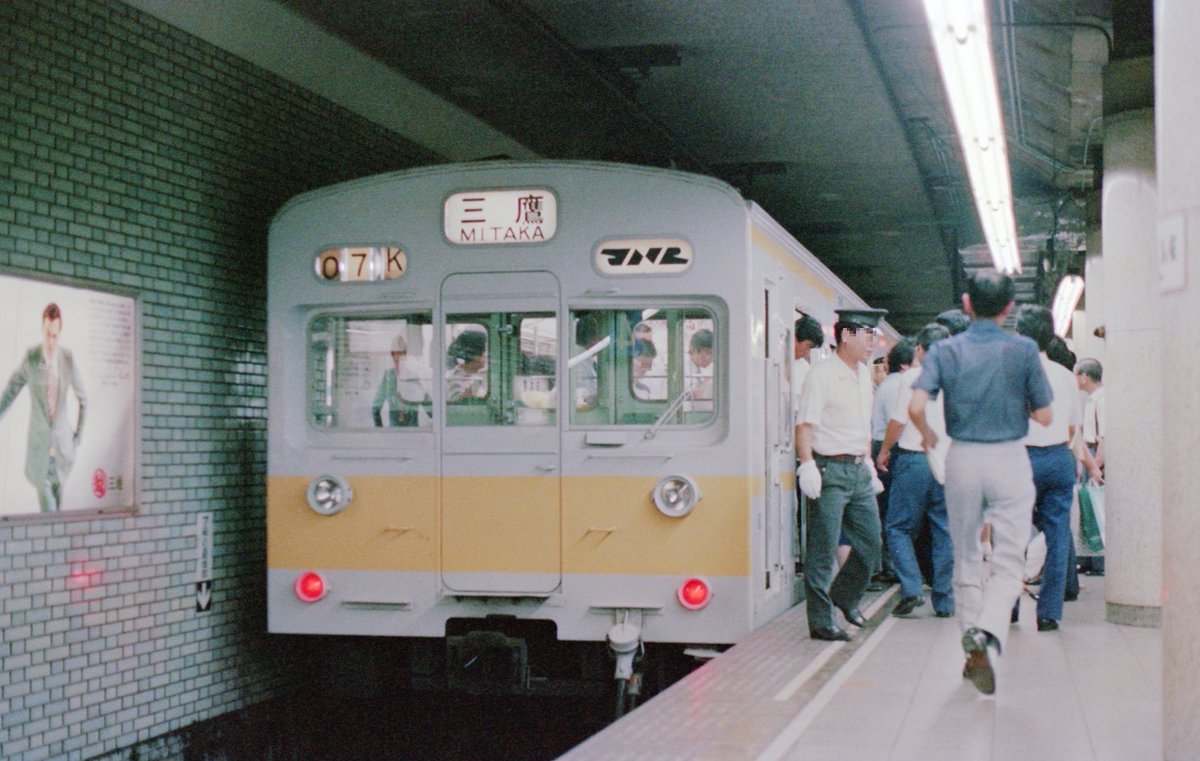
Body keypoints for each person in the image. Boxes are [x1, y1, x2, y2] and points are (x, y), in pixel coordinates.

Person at [908, 270, 1052, 695]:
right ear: (1010, 308)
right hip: (1009, 457)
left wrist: (929, 434)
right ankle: (989, 629)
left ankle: (971, 637)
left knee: (966, 553)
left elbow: (917, 404)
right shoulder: (1024, 349)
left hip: (963, 457)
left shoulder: (946, 350)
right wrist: (1012, 405)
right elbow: (1045, 416)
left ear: (967, 304)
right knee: (1008, 559)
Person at [795, 307, 888, 642]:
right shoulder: (821, 376)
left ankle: (845, 596)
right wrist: (807, 464)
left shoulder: (863, 374)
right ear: (846, 335)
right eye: (867, 334)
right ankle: (821, 622)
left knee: (870, 543)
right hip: (829, 468)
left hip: (857, 469)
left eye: (874, 336)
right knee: (822, 550)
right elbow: (805, 424)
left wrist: (867, 461)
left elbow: (862, 424)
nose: (872, 343)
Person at [877, 323, 954, 618]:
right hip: (946, 462)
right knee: (943, 530)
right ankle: (944, 600)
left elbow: (897, 421)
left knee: (897, 528)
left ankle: (911, 588)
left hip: (914, 461)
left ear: (920, 351)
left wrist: (884, 450)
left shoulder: (911, 376)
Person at [1014, 305, 1081, 632]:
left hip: (1020, 459)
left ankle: (1009, 605)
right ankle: (1049, 612)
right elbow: (1071, 428)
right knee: (1057, 535)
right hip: (1057, 459)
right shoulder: (1066, 376)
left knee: (1011, 533)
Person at [0, 303, 87, 512]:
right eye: (47, 333)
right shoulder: (31, 359)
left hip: (62, 455)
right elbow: (11, 390)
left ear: (60, 333)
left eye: (55, 335)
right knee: (49, 516)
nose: (50, 340)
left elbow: (83, 400)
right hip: (40, 456)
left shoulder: (67, 359)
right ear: (42, 328)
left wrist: (77, 440)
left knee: (60, 517)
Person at [871, 338, 915, 584]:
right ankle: (893, 567)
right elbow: (896, 423)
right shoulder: (900, 386)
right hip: (889, 449)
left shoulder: (887, 385)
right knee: (893, 514)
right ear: (907, 364)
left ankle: (893, 565)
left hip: (884, 446)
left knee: (889, 511)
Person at [1074, 357, 1106, 576]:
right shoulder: (1092, 399)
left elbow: (1104, 437)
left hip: (1095, 454)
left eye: (1077, 374)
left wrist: (1097, 466)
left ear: (1085, 376)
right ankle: (1087, 559)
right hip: (1090, 454)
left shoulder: (1102, 400)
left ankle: (1098, 561)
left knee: (1096, 509)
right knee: (1087, 508)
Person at [373, 334, 431, 427]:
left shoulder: (413, 376)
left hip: (411, 435)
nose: (398, 358)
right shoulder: (388, 378)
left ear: (405, 354)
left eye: (401, 354)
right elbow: (375, 408)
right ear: (392, 355)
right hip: (395, 434)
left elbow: (429, 407)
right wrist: (380, 432)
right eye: (395, 354)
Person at [445, 330, 488, 402]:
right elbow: (458, 403)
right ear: (475, 357)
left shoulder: (484, 373)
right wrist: (477, 383)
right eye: (483, 352)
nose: (486, 355)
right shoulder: (455, 379)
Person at [685, 328, 714, 401]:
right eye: (708, 353)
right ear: (693, 351)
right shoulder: (682, 369)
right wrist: (711, 378)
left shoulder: (702, 369)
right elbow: (692, 397)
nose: (711, 357)